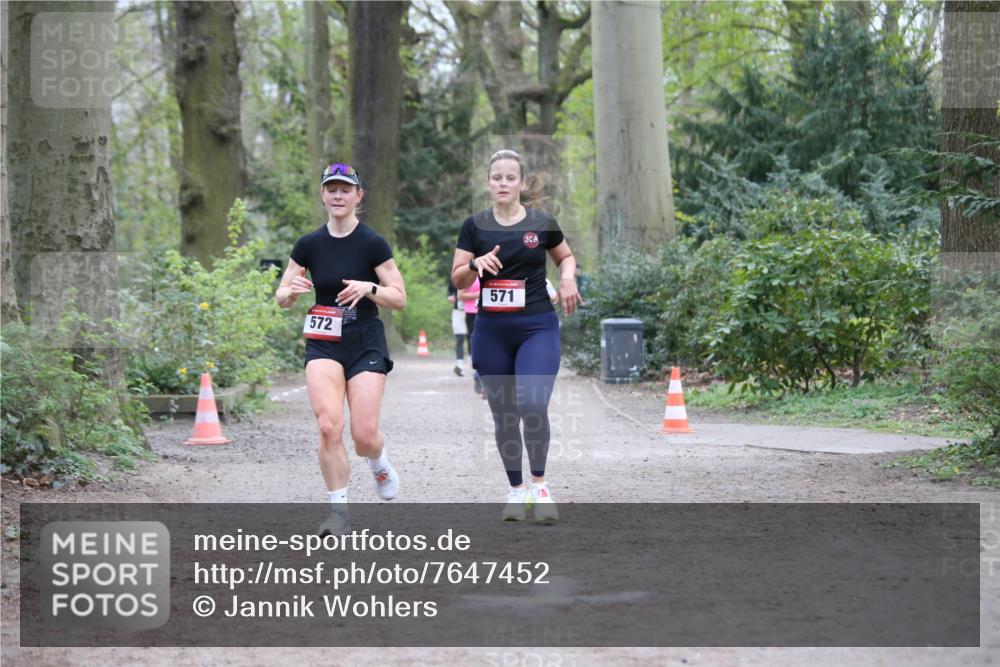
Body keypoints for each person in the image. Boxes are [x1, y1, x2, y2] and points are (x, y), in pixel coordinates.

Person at [451, 149, 583, 523]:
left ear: (522, 184)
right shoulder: (474, 226)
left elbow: (565, 257)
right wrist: (475, 265)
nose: (503, 183)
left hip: (536, 326)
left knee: (532, 404)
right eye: (497, 178)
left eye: (510, 178)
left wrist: (568, 277)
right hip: (491, 330)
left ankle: (540, 487)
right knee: (504, 415)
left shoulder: (541, 223)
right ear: (488, 183)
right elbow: (458, 277)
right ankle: (515, 489)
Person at [275, 162, 406, 535]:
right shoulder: (308, 245)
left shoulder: (372, 243)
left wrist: (370, 288)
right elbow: (282, 295)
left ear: (358, 196)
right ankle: (338, 512)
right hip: (323, 341)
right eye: (331, 188)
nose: (337, 195)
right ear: (322, 194)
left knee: (364, 435)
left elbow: (399, 298)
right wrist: (291, 291)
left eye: (345, 189)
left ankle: (377, 460)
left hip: (364, 341)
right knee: (329, 425)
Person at [458, 276, 483, 396]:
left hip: (489, 311)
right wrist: (478, 294)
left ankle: (482, 377)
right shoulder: (470, 274)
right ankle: (478, 374)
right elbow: (460, 295)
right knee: (476, 343)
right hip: (472, 313)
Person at [447, 281, 469, 376]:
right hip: (458, 311)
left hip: (474, 311)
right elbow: (450, 289)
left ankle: (474, 364)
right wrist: (450, 295)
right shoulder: (456, 276)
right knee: (459, 338)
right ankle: (459, 365)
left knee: (472, 338)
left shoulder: (478, 273)